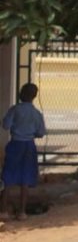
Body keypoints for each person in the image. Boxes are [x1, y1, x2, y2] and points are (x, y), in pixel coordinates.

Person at [0, 82, 46, 221]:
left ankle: (3, 211)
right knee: (25, 178)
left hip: (15, 144)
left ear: (21, 94)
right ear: (34, 96)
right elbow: (41, 132)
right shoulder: (37, 114)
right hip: (29, 146)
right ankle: (22, 212)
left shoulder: (15, 110)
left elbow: (6, 125)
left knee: (7, 177)